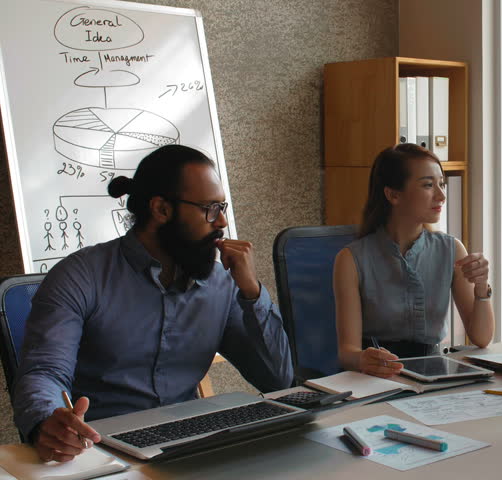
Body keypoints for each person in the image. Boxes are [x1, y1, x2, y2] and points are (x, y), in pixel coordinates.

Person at [13, 145, 294, 462]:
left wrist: (252, 292)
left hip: (193, 445)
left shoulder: (222, 283)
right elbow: (45, 373)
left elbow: (277, 379)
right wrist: (47, 421)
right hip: (102, 448)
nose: (222, 222)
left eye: (222, 207)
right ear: (161, 209)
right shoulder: (80, 276)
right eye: (211, 209)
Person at [334, 144, 495, 378]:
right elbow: (346, 352)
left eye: (442, 183)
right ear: (393, 195)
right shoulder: (351, 259)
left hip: (434, 373)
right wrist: (363, 359)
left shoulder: (451, 249)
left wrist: (481, 286)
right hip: (377, 377)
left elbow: (481, 338)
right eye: (428, 185)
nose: (441, 195)